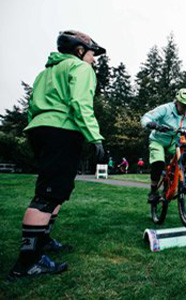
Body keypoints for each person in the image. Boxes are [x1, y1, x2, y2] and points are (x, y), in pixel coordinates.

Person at [7, 30, 106, 280]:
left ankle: (43, 240)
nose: (94, 60)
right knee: (47, 195)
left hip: (40, 129)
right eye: (93, 54)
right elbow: (79, 102)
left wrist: (37, 132)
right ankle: (28, 263)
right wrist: (95, 137)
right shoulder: (80, 68)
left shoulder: (45, 73)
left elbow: (31, 107)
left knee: (57, 190)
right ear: (80, 50)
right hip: (62, 129)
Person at [141, 88, 186, 203]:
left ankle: (174, 182)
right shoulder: (165, 109)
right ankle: (153, 191)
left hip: (174, 144)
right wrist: (152, 124)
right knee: (158, 163)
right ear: (177, 101)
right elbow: (146, 117)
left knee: (182, 159)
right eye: (184, 105)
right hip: (158, 141)